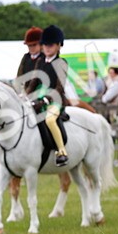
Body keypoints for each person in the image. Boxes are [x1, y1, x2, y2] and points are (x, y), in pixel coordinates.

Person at [39, 24, 70, 166]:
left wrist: (47, 99)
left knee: (50, 120)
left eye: (50, 45)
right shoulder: (40, 62)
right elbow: (33, 81)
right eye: (44, 45)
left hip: (56, 101)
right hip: (39, 98)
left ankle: (61, 152)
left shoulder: (61, 63)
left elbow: (59, 87)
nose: (46, 48)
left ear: (58, 46)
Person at [16, 27, 43, 96]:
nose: (31, 48)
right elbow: (19, 76)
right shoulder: (26, 57)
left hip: (41, 91)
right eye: (29, 45)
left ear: (41, 44)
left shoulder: (44, 58)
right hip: (26, 91)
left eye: (34, 45)